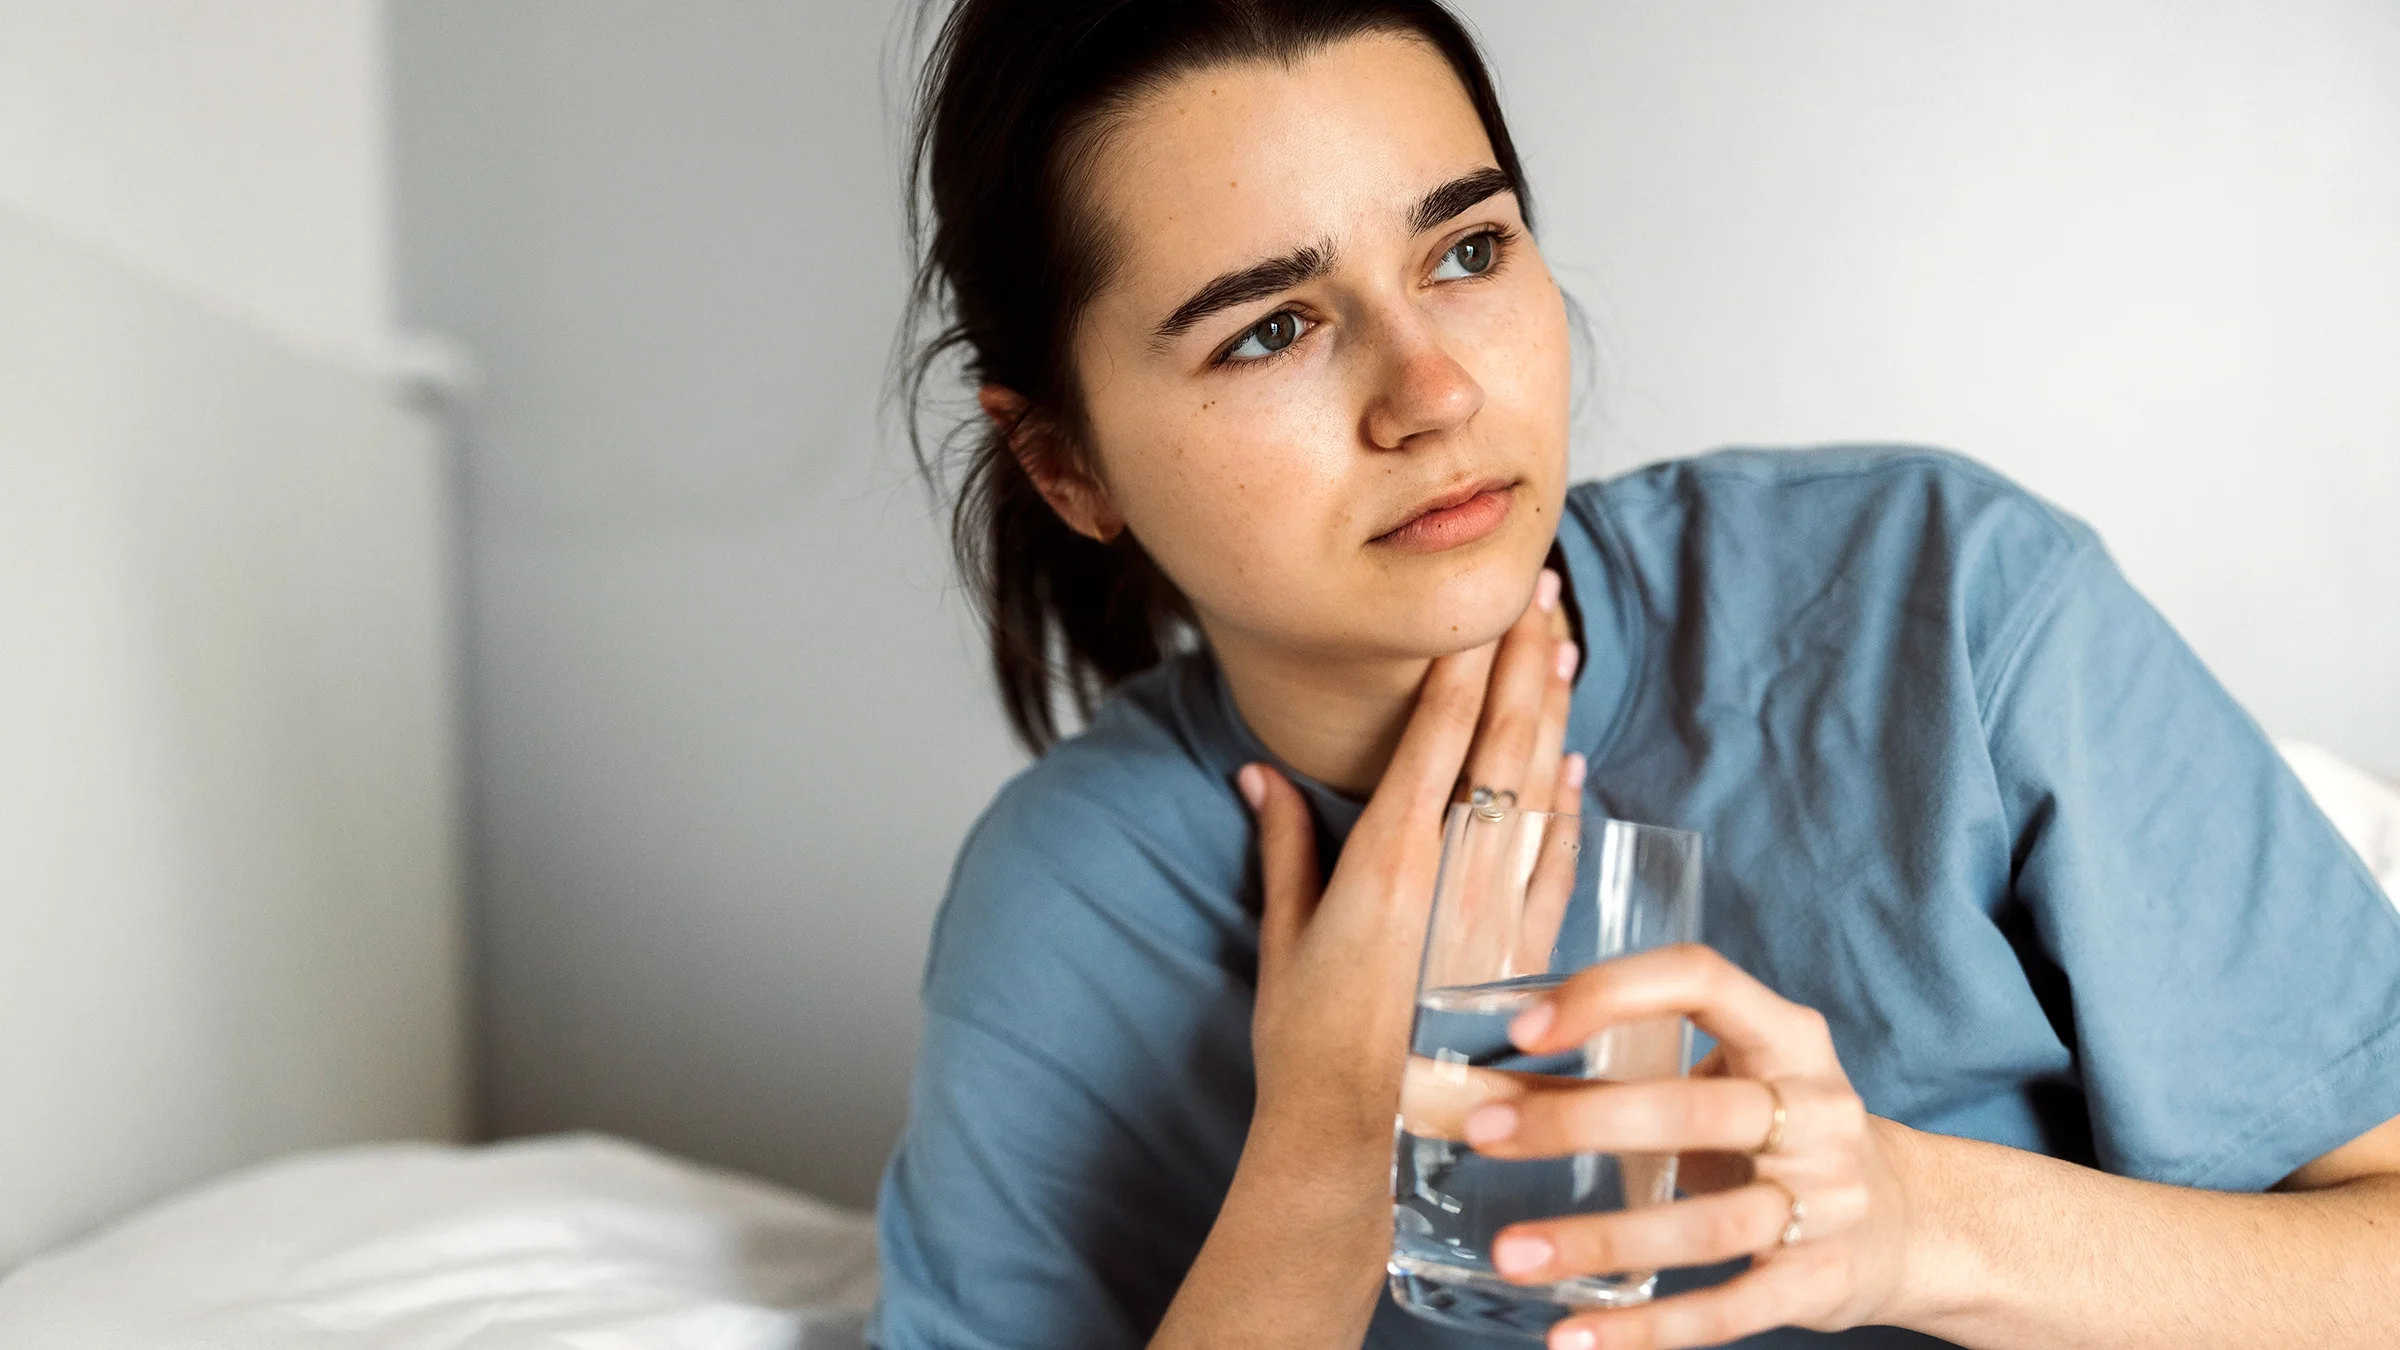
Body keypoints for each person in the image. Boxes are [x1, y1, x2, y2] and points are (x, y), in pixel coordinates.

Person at [871, 3, 2400, 1347]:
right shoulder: (1074, 898)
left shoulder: (1938, 601)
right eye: (1272, 330)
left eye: (1468, 251)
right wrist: (1330, 1143)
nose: (1434, 391)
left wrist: (1915, 1220)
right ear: (1067, 466)